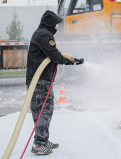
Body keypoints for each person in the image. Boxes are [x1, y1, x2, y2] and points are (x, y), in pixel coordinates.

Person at [26, 10, 83, 155]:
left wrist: (71, 60)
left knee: (46, 110)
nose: (57, 26)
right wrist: (69, 61)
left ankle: (43, 140)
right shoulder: (44, 35)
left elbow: (54, 56)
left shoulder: (42, 33)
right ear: (50, 23)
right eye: (56, 23)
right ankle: (39, 144)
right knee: (43, 111)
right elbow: (55, 55)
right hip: (39, 81)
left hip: (41, 80)